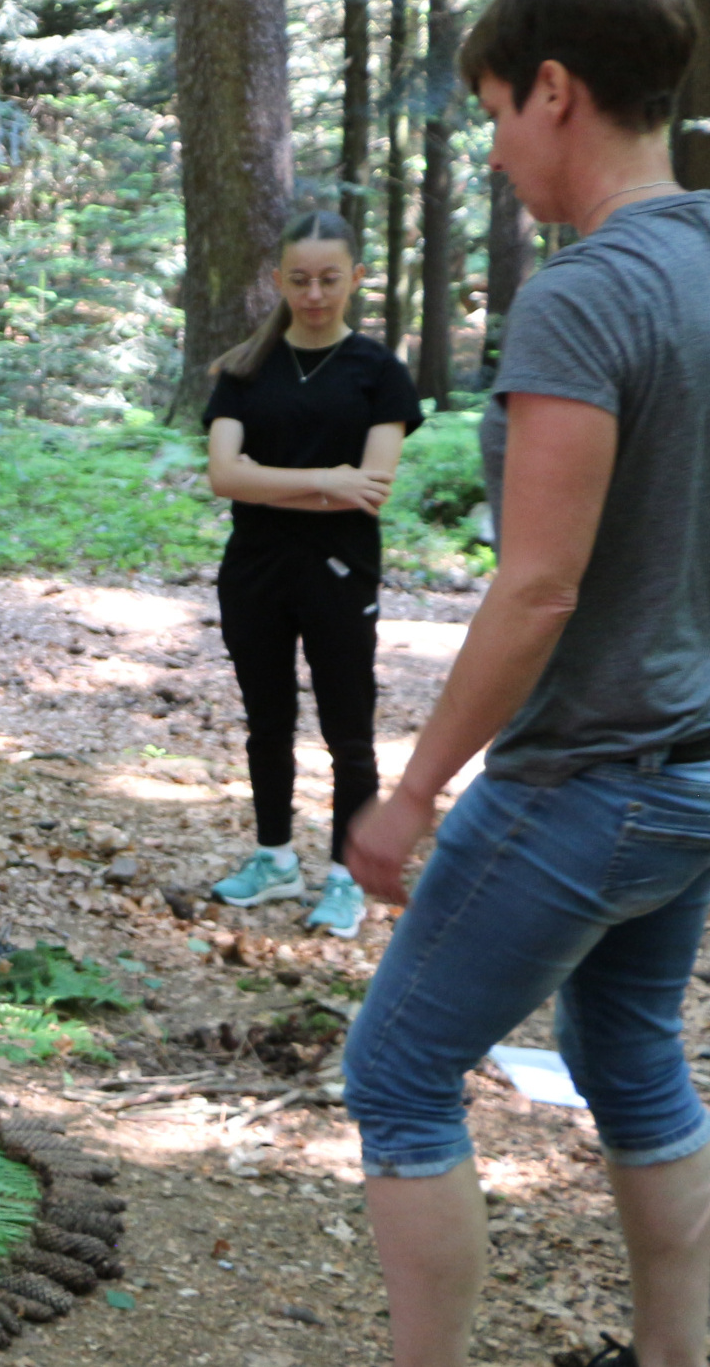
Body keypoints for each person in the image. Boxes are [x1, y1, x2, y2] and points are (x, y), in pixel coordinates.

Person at [340, 0, 710, 1361]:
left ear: (554, 91)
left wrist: (413, 792)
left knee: (397, 1073)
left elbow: (539, 585)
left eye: (497, 111)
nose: (496, 150)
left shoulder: (585, 294)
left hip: (600, 778)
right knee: (625, 1045)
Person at [200, 209, 422, 941]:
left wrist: (269, 480)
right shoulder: (244, 368)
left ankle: (344, 877)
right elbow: (223, 476)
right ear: (278, 281)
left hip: (340, 572)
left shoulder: (379, 373)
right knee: (267, 722)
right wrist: (328, 479)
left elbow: (373, 488)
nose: (315, 294)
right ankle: (274, 858)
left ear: (356, 278)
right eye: (299, 280)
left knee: (347, 731)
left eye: (329, 279)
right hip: (255, 571)